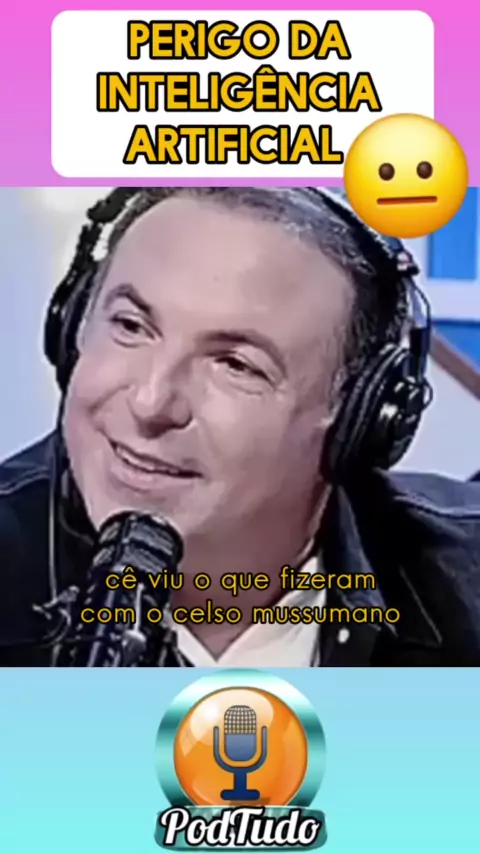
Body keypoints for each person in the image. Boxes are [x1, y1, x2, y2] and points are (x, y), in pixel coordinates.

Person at [1, 186, 480, 668]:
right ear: (72, 327)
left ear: (361, 418)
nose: (150, 403)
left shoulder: (463, 584)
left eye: (235, 364)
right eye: (130, 326)